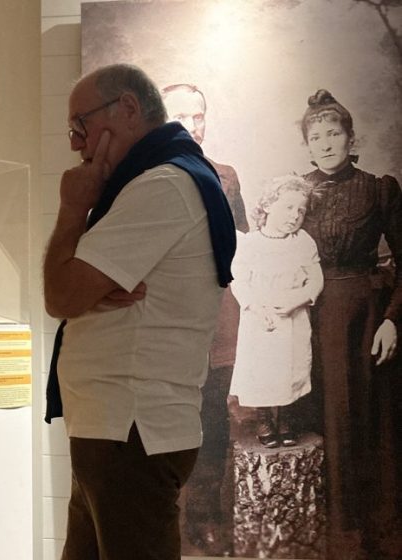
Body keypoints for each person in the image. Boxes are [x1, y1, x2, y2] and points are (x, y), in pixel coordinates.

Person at [43, 64, 236, 560]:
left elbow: (60, 296)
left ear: (128, 108)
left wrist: (72, 209)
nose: (75, 143)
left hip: (130, 431)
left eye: (80, 125)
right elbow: (71, 291)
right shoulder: (156, 181)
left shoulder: (163, 185)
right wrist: (84, 286)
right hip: (115, 430)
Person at [299, 89, 402, 559]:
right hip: (312, 317)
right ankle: (332, 535)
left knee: (369, 422)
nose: (325, 144)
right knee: (322, 419)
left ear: (350, 137)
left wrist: (392, 320)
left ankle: (373, 534)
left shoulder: (380, 187)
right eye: (315, 136)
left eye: (333, 133)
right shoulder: (296, 192)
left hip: (366, 318)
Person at [162, 82, 249, 554]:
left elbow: (246, 248)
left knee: (214, 423)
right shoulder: (143, 179)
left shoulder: (227, 175)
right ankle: (169, 519)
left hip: (219, 323)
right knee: (172, 424)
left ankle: (206, 518)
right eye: (181, 116)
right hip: (169, 325)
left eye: (199, 116)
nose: (193, 126)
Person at [229, 175, 323, 447]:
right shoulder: (249, 243)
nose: (295, 216)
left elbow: (315, 279)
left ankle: (286, 418)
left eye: (300, 210)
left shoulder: (302, 241)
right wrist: (256, 307)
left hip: (293, 316)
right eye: (288, 207)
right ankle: (264, 419)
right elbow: (239, 281)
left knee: (290, 367)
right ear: (268, 205)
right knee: (262, 369)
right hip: (260, 318)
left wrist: (298, 300)